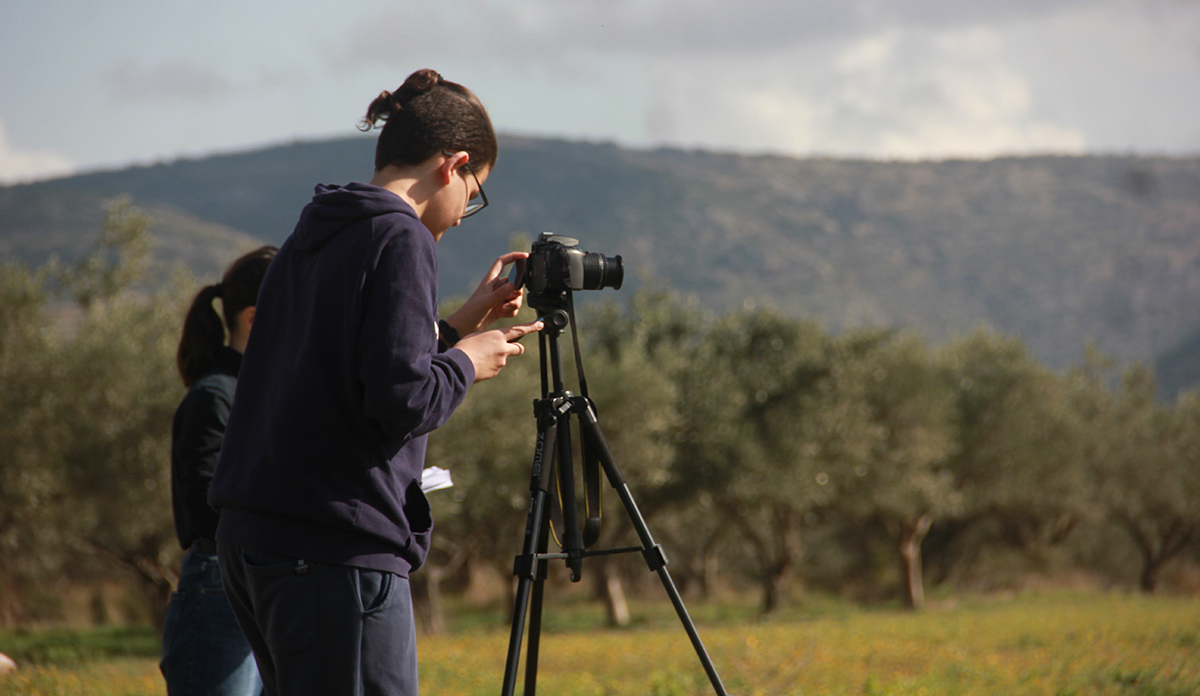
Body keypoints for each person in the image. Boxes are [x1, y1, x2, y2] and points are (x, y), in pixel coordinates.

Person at [208, 69, 541, 696]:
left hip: (255, 540)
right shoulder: (403, 236)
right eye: (475, 193)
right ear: (455, 164)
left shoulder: (315, 230)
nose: (466, 216)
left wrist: (461, 325)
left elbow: (342, 372)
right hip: (335, 546)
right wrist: (468, 360)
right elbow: (402, 398)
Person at [161, 245, 277, 696]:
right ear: (252, 319)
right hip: (221, 587)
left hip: (258, 584)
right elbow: (205, 507)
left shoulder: (257, 393)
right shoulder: (216, 396)